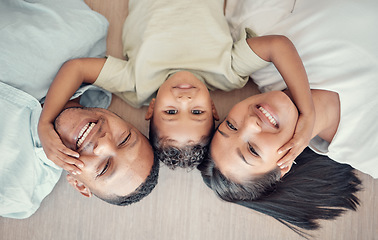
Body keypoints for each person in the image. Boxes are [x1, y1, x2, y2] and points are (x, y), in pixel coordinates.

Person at [39, 0, 315, 171]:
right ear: (214, 110)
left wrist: (46, 123)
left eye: (170, 112)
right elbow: (278, 46)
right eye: (197, 112)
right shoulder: (227, 73)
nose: (185, 100)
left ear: (152, 108)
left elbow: (75, 69)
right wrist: (307, 113)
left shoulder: (137, 86)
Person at [199, 0, 377, 233]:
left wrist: (308, 111)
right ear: (283, 167)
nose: (251, 123)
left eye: (231, 125)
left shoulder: (258, 35)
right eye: (252, 150)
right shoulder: (367, 150)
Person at [0, 0, 158, 219]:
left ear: (79, 185)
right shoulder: (82, 32)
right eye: (123, 139)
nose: (102, 143)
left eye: (104, 168)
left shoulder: (17, 195)